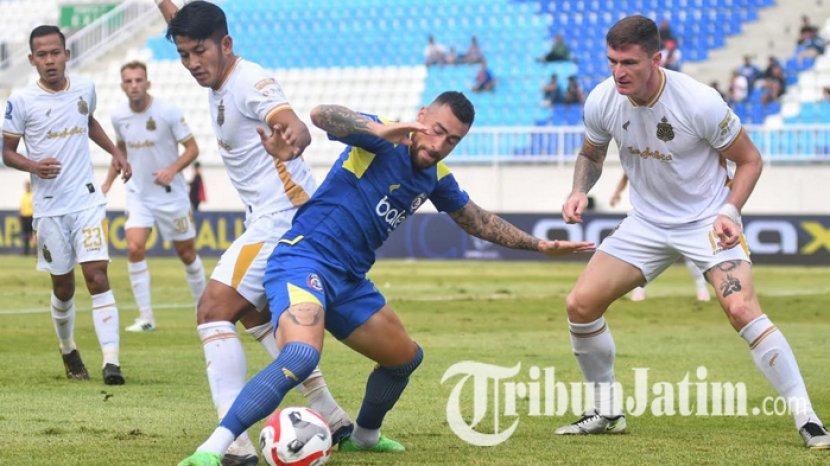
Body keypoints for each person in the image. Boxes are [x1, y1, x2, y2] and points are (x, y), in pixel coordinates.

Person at [176, 92, 595, 465]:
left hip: (349, 281)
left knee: (405, 358)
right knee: (302, 356)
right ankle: (216, 447)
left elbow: (478, 220)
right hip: (303, 260)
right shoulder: (381, 137)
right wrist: (379, 129)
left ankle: (364, 437)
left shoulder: (436, 176)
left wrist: (540, 245)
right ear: (421, 117)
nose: (439, 144)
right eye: (437, 131)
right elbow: (322, 115)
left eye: (452, 140)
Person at [557, 15, 829, 449]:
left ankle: (808, 419)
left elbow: (750, 160)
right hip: (645, 223)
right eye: (612, 61)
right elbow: (591, 153)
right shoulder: (603, 99)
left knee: (741, 308)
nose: (618, 72)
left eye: (629, 62)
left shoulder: (698, 101)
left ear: (656, 59)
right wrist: (578, 190)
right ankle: (606, 411)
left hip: (706, 221)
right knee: (580, 305)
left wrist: (730, 211)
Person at [154, 2, 352, 464]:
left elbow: (292, 122)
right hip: (275, 216)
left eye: (199, 52)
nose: (192, 63)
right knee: (251, 313)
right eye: (183, 55)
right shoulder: (216, 72)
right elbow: (182, 22)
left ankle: (235, 443)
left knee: (212, 309)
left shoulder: (249, 81)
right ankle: (332, 416)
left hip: (282, 218)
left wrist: (293, 140)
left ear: (226, 44)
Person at [2, 25, 132, 385]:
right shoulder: (21, 101)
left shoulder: (85, 88)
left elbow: (88, 121)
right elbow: (7, 152)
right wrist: (34, 166)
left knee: (97, 275)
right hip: (48, 207)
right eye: (42, 55)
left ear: (66, 54)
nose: (50, 60)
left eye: (55, 53)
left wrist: (116, 152)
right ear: (32, 59)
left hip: (85, 199)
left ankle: (111, 362)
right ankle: (68, 349)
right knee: (63, 287)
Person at [101, 60, 205, 332]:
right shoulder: (118, 116)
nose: (134, 85)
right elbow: (120, 150)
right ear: (122, 86)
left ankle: (206, 310)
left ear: (148, 83)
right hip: (138, 194)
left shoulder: (167, 111)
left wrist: (171, 169)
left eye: (138, 80)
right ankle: (146, 318)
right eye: (128, 81)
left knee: (186, 253)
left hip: (171, 195)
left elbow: (192, 149)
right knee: (134, 247)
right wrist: (107, 183)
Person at [609, 174, 710, 302]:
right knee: (643, 255)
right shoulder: (644, 164)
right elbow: (626, 175)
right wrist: (617, 193)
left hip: (685, 215)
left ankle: (702, 289)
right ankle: (638, 290)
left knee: (693, 256)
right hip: (652, 216)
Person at [19, 180, 35, 255]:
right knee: (25, 234)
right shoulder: (23, 196)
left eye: (28, 186)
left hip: (31, 217)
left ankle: (34, 251)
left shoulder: (33, 195)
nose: (27, 187)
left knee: (33, 234)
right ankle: (25, 251)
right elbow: (21, 207)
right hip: (24, 217)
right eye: (26, 186)